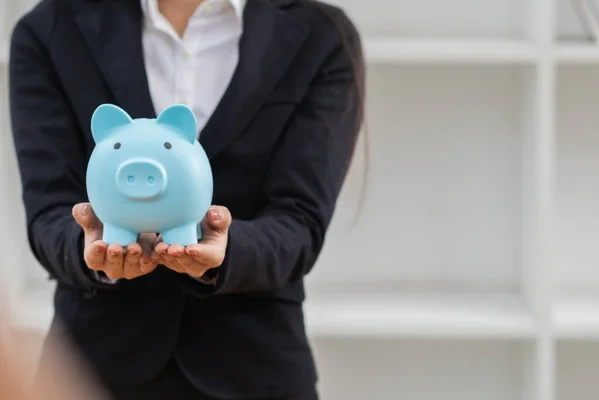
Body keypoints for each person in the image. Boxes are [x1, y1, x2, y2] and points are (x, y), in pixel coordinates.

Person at [9, 0, 364, 399]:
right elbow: (49, 213)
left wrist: (226, 251)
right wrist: (89, 247)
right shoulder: (50, 29)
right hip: (92, 372)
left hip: (254, 366)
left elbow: (300, 222)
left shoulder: (320, 35)